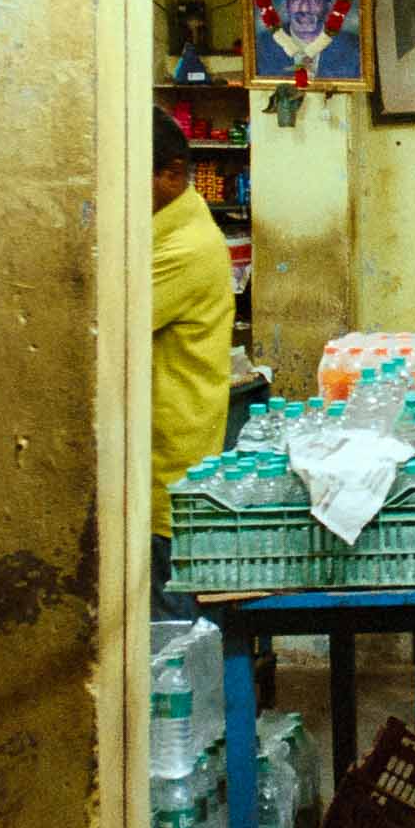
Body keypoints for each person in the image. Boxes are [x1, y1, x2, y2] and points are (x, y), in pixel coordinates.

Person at [150, 106, 235, 618]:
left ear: (172, 173)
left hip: (166, 470)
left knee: (170, 639)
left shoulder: (184, 248)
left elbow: (101, 327)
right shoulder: (165, 231)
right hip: (158, 461)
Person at [258, 0, 364, 79]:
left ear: (328, 6)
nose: (305, 8)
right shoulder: (262, 46)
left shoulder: (353, 48)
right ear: (286, 4)